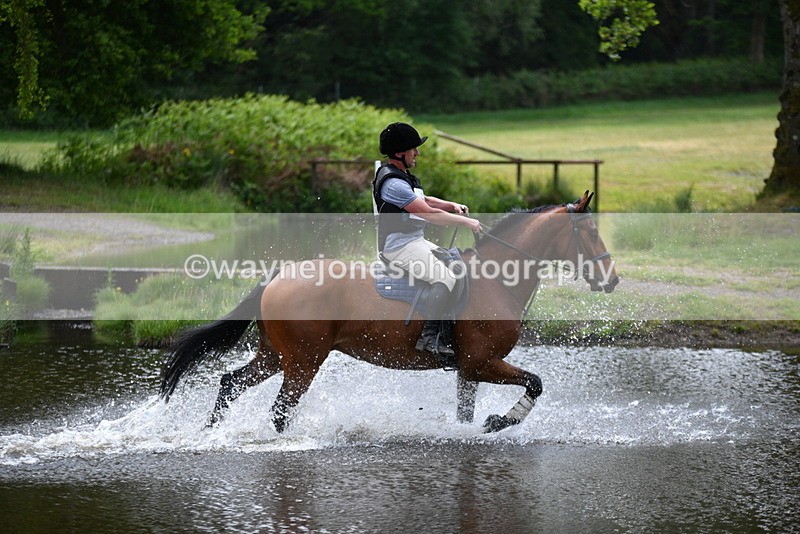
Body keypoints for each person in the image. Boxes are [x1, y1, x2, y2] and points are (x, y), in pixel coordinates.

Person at [372, 122, 481, 361]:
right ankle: (430, 337)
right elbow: (427, 213)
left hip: (414, 241)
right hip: (399, 247)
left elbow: (425, 199)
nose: (417, 153)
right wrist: (466, 223)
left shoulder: (403, 177)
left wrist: (449, 205)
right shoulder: (393, 184)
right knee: (446, 277)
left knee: (457, 264)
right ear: (400, 152)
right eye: (413, 149)